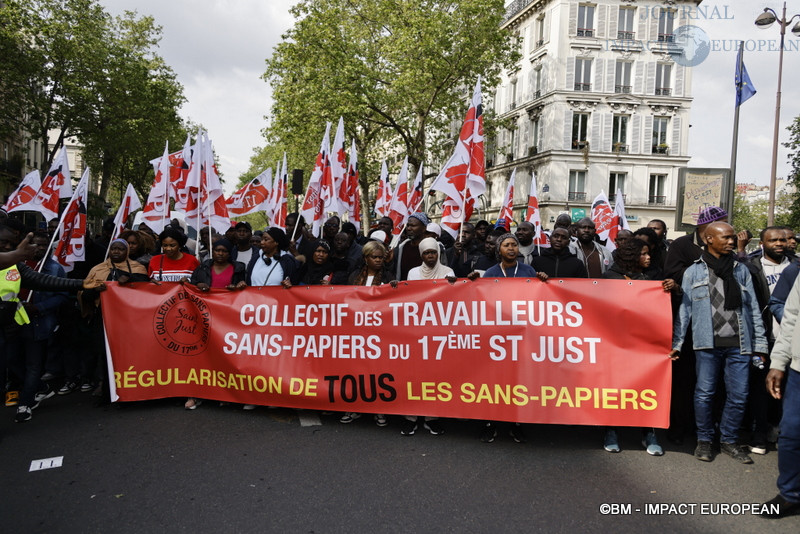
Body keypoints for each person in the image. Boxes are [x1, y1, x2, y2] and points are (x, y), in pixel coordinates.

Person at [670, 222, 768, 464]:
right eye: (725, 238)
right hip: (707, 344)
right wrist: (677, 343)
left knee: (739, 395)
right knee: (704, 394)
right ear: (709, 239)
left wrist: (761, 346)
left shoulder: (741, 270)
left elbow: (753, 308)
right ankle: (704, 440)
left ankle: (729, 440)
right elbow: (685, 311)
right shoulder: (693, 272)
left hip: (740, 345)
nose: (732, 242)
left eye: (733, 238)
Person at [0, 223, 103, 422]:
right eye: (2, 243)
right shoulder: (14, 259)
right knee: (12, 362)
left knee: (30, 364)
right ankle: (38, 387)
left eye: (9, 244)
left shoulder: (17, 265)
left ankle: (26, 402)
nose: (6, 248)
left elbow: (43, 281)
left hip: (19, 324)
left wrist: (79, 283)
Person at [602, 238, 676, 455]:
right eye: (643, 254)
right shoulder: (609, 278)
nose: (648, 257)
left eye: (648, 253)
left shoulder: (655, 277)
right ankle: (611, 430)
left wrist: (674, 288)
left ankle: (648, 432)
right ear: (631, 256)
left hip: (646, 344)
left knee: (647, 387)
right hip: (616, 344)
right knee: (614, 388)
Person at [663, 205, 729, 445]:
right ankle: (679, 427)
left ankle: (706, 428)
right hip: (690, 322)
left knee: (713, 382)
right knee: (686, 379)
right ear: (703, 227)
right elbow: (672, 273)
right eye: (720, 223)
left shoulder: (727, 247)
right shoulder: (682, 245)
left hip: (720, 324)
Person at [474, 233, 546, 443]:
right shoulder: (490, 273)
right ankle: (490, 422)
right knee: (494, 381)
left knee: (518, 381)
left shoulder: (528, 271)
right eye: (506, 245)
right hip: (497, 337)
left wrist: (542, 280)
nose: (512, 248)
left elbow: (539, 299)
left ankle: (517, 423)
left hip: (521, 336)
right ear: (500, 250)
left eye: (514, 244)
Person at [339, 240, 396, 427]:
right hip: (356, 330)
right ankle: (354, 408)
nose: (379, 260)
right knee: (355, 371)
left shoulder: (388, 277)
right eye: (375, 257)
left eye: (381, 257)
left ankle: (379, 410)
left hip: (380, 332)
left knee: (377, 371)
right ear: (366, 258)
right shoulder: (355, 276)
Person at [184, 238, 247, 410]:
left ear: (229, 253)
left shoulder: (239, 268)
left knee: (227, 355)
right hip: (204, 317)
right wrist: (198, 284)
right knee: (202, 356)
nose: (220, 254)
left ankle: (225, 394)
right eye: (217, 250)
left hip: (230, 319)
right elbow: (191, 285)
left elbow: (245, 287)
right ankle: (195, 395)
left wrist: (240, 286)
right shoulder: (203, 267)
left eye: (224, 251)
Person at [761, 272, 800, 518]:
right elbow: (791, 318)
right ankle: (790, 495)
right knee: (791, 435)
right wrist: (778, 362)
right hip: (798, 370)